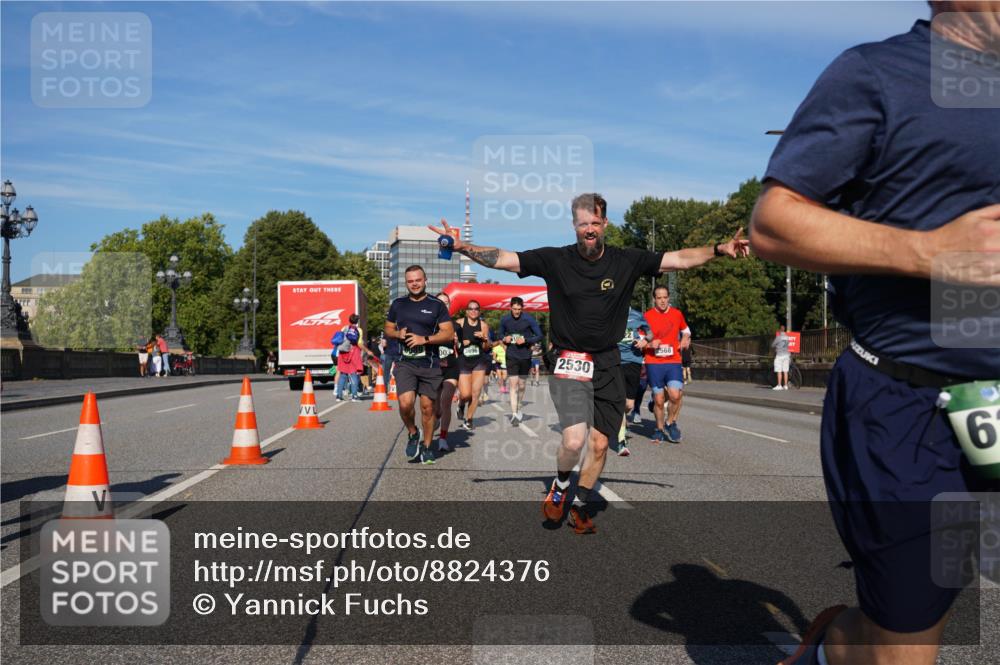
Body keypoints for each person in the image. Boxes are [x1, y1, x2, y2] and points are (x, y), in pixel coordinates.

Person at [750, 6, 1000, 665]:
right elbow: (774, 223)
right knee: (908, 635)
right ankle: (837, 646)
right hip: (911, 404)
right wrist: (929, 252)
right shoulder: (878, 74)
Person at [430, 193, 747, 534]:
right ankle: (561, 485)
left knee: (599, 443)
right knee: (573, 441)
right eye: (584, 224)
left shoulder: (627, 260)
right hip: (569, 361)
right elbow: (504, 259)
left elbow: (679, 259)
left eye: (595, 223)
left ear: (605, 223)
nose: (590, 229)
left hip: (608, 362)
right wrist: (464, 248)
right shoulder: (555, 259)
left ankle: (580, 504)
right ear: (574, 226)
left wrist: (718, 249)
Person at [384, 265, 454, 465]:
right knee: (405, 403)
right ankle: (413, 433)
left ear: (425, 280)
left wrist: (425, 339)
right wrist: (398, 334)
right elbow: (388, 328)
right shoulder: (398, 304)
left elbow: (448, 333)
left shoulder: (436, 305)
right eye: (410, 281)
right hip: (405, 362)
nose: (414, 284)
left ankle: (426, 446)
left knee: (427, 408)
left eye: (418, 280)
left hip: (430, 364)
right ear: (406, 283)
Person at [644, 285, 691, 444]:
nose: (662, 301)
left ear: (668, 297)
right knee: (658, 400)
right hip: (654, 362)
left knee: (675, 395)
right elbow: (639, 341)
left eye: (665, 297)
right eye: (659, 298)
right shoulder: (647, 316)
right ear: (654, 299)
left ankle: (670, 423)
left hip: (672, 361)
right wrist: (650, 345)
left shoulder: (677, 314)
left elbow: (686, 330)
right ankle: (659, 428)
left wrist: (685, 339)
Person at [610, 308, 651, 457]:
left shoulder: (637, 315)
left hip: (634, 361)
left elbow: (650, 332)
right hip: (616, 361)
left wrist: (645, 340)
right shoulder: (610, 312)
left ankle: (620, 421)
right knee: (621, 402)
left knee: (629, 405)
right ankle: (622, 442)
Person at [499, 297, 544, 427]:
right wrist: (504, 338)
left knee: (522, 385)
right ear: (510, 308)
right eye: (514, 309)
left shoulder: (528, 319)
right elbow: (500, 334)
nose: (517, 312)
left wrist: (526, 340)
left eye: (519, 309)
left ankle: (518, 406)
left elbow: (539, 335)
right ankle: (514, 414)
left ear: (522, 308)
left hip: (525, 355)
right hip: (511, 355)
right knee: (513, 384)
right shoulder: (505, 319)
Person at [455, 299, 493, 432]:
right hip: (463, 361)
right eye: (471, 308)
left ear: (479, 311)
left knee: (476, 394)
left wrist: (485, 339)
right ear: (466, 311)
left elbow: (487, 347)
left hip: (479, 361)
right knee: (466, 394)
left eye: (476, 308)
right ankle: (461, 404)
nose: (473, 311)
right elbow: (454, 342)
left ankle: (469, 419)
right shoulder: (459, 323)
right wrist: (459, 342)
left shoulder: (483, 325)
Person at [434, 292, 460, 452]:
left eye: (447, 303)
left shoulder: (456, 326)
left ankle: (443, 437)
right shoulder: (429, 323)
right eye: (441, 302)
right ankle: (436, 416)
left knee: (446, 401)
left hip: (451, 366)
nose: (444, 305)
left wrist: (458, 342)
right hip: (434, 367)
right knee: (435, 405)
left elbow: (462, 349)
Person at [335, 327, 363, 402]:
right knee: (354, 376)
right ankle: (354, 396)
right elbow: (359, 345)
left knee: (342, 376)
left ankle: (338, 396)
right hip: (352, 356)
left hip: (343, 356)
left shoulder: (344, 328)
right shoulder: (358, 330)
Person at [772, 324, 792, 390]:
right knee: (785, 371)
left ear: (780, 330)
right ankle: (785, 385)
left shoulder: (778, 337)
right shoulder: (787, 337)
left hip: (780, 355)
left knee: (779, 370)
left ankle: (779, 385)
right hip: (787, 355)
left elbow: (773, 345)